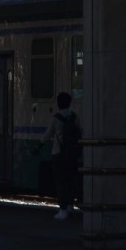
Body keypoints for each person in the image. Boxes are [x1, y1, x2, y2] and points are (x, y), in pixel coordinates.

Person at [41, 91, 82, 219]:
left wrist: (39, 144)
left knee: (60, 182)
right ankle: (70, 207)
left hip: (58, 154)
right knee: (70, 181)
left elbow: (47, 135)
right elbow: (79, 132)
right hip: (71, 154)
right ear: (69, 103)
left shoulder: (56, 118)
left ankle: (62, 210)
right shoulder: (74, 117)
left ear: (59, 104)